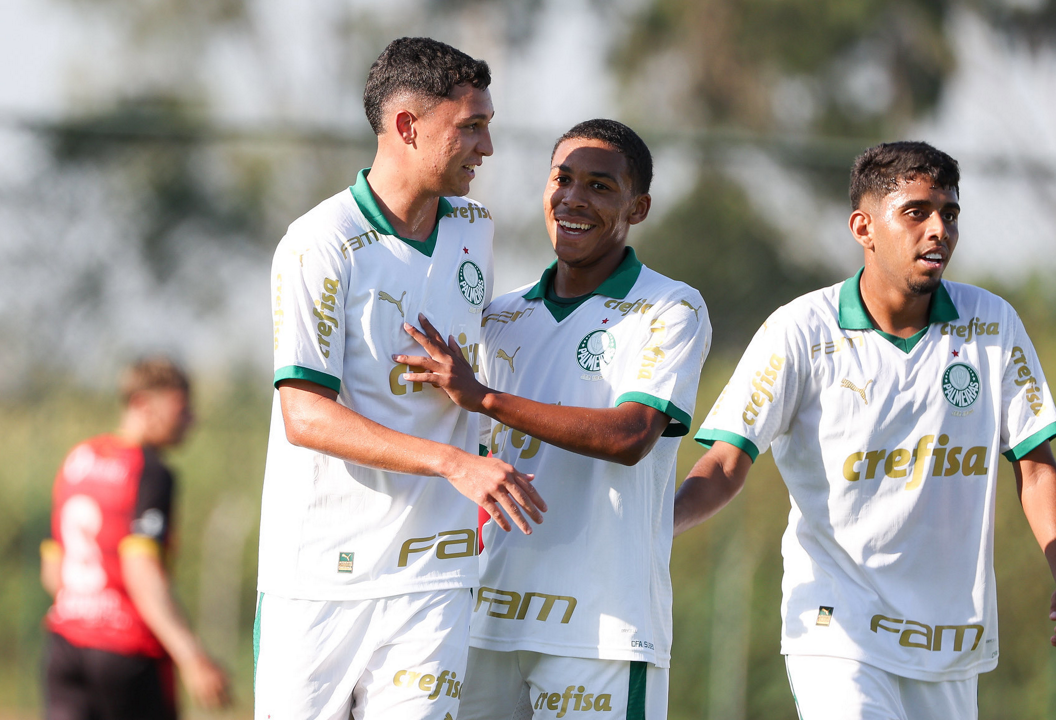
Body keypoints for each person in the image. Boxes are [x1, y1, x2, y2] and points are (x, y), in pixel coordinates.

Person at [675, 141, 1056, 719]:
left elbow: (1036, 465)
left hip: (948, 641)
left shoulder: (992, 324)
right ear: (863, 228)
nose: (938, 230)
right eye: (916, 212)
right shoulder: (800, 331)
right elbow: (725, 463)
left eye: (949, 213)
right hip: (836, 631)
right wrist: (657, 526)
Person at [253, 36, 546, 720]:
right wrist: (454, 462)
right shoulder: (320, 243)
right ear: (408, 127)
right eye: (470, 127)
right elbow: (305, 416)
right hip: (319, 579)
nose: (487, 148)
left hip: (433, 576)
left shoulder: (474, 228)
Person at [397, 118, 711, 719]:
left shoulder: (670, 307)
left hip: (602, 632)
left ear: (638, 207)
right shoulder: (499, 317)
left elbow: (631, 435)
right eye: (562, 180)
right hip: (487, 622)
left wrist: (486, 397)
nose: (573, 199)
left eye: (600, 186)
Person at [40, 357, 230, 720]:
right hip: (128, 654)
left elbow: (53, 570)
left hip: (66, 645)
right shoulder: (150, 472)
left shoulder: (77, 459)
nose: (191, 419)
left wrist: (86, 611)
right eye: (181, 408)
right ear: (143, 404)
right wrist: (192, 657)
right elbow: (140, 570)